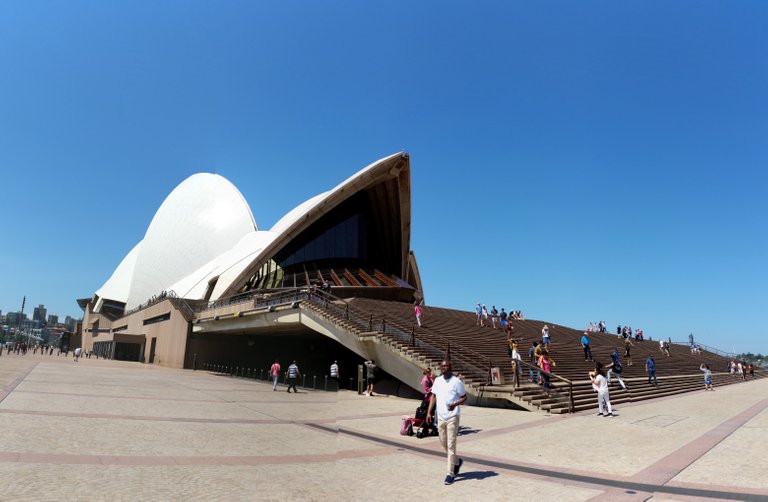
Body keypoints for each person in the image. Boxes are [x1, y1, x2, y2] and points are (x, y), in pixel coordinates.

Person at [426, 360, 467, 485]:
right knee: (443, 443)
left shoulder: (456, 382)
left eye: (446, 366)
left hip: (452, 417)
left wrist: (455, 404)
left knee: (450, 445)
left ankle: (450, 473)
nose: (443, 367)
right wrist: (429, 412)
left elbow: (464, 397)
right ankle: (457, 461)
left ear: (451, 367)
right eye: (442, 366)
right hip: (441, 417)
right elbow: (433, 396)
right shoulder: (438, 381)